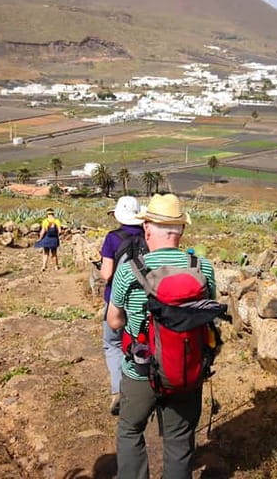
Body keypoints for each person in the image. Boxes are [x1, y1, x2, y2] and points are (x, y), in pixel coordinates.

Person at [107, 194, 216, 479]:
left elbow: (114, 320)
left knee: (131, 430)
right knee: (179, 440)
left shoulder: (129, 270)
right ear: (181, 231)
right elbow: (209, 316)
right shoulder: (202, 268)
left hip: (140, 370)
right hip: (186, 369)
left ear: (147, 229)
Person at [99, 196, 145, 416]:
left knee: (113, 343)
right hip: (144, 299)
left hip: (116, 300)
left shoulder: (112, 238)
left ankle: (119, 390)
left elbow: (107, 273)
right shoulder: (149, 236)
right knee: (141, 341)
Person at [36, 207, 62, 271]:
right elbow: (60, 231)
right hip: (54, 239)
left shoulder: (45, 221)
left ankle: (44, 266)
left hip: (46, 238)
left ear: (47, 214)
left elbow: (42, 231)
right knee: (54, 253)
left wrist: (40, 239)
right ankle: (56, 266)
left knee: (45, 253)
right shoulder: (57, 221)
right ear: (53, 214)